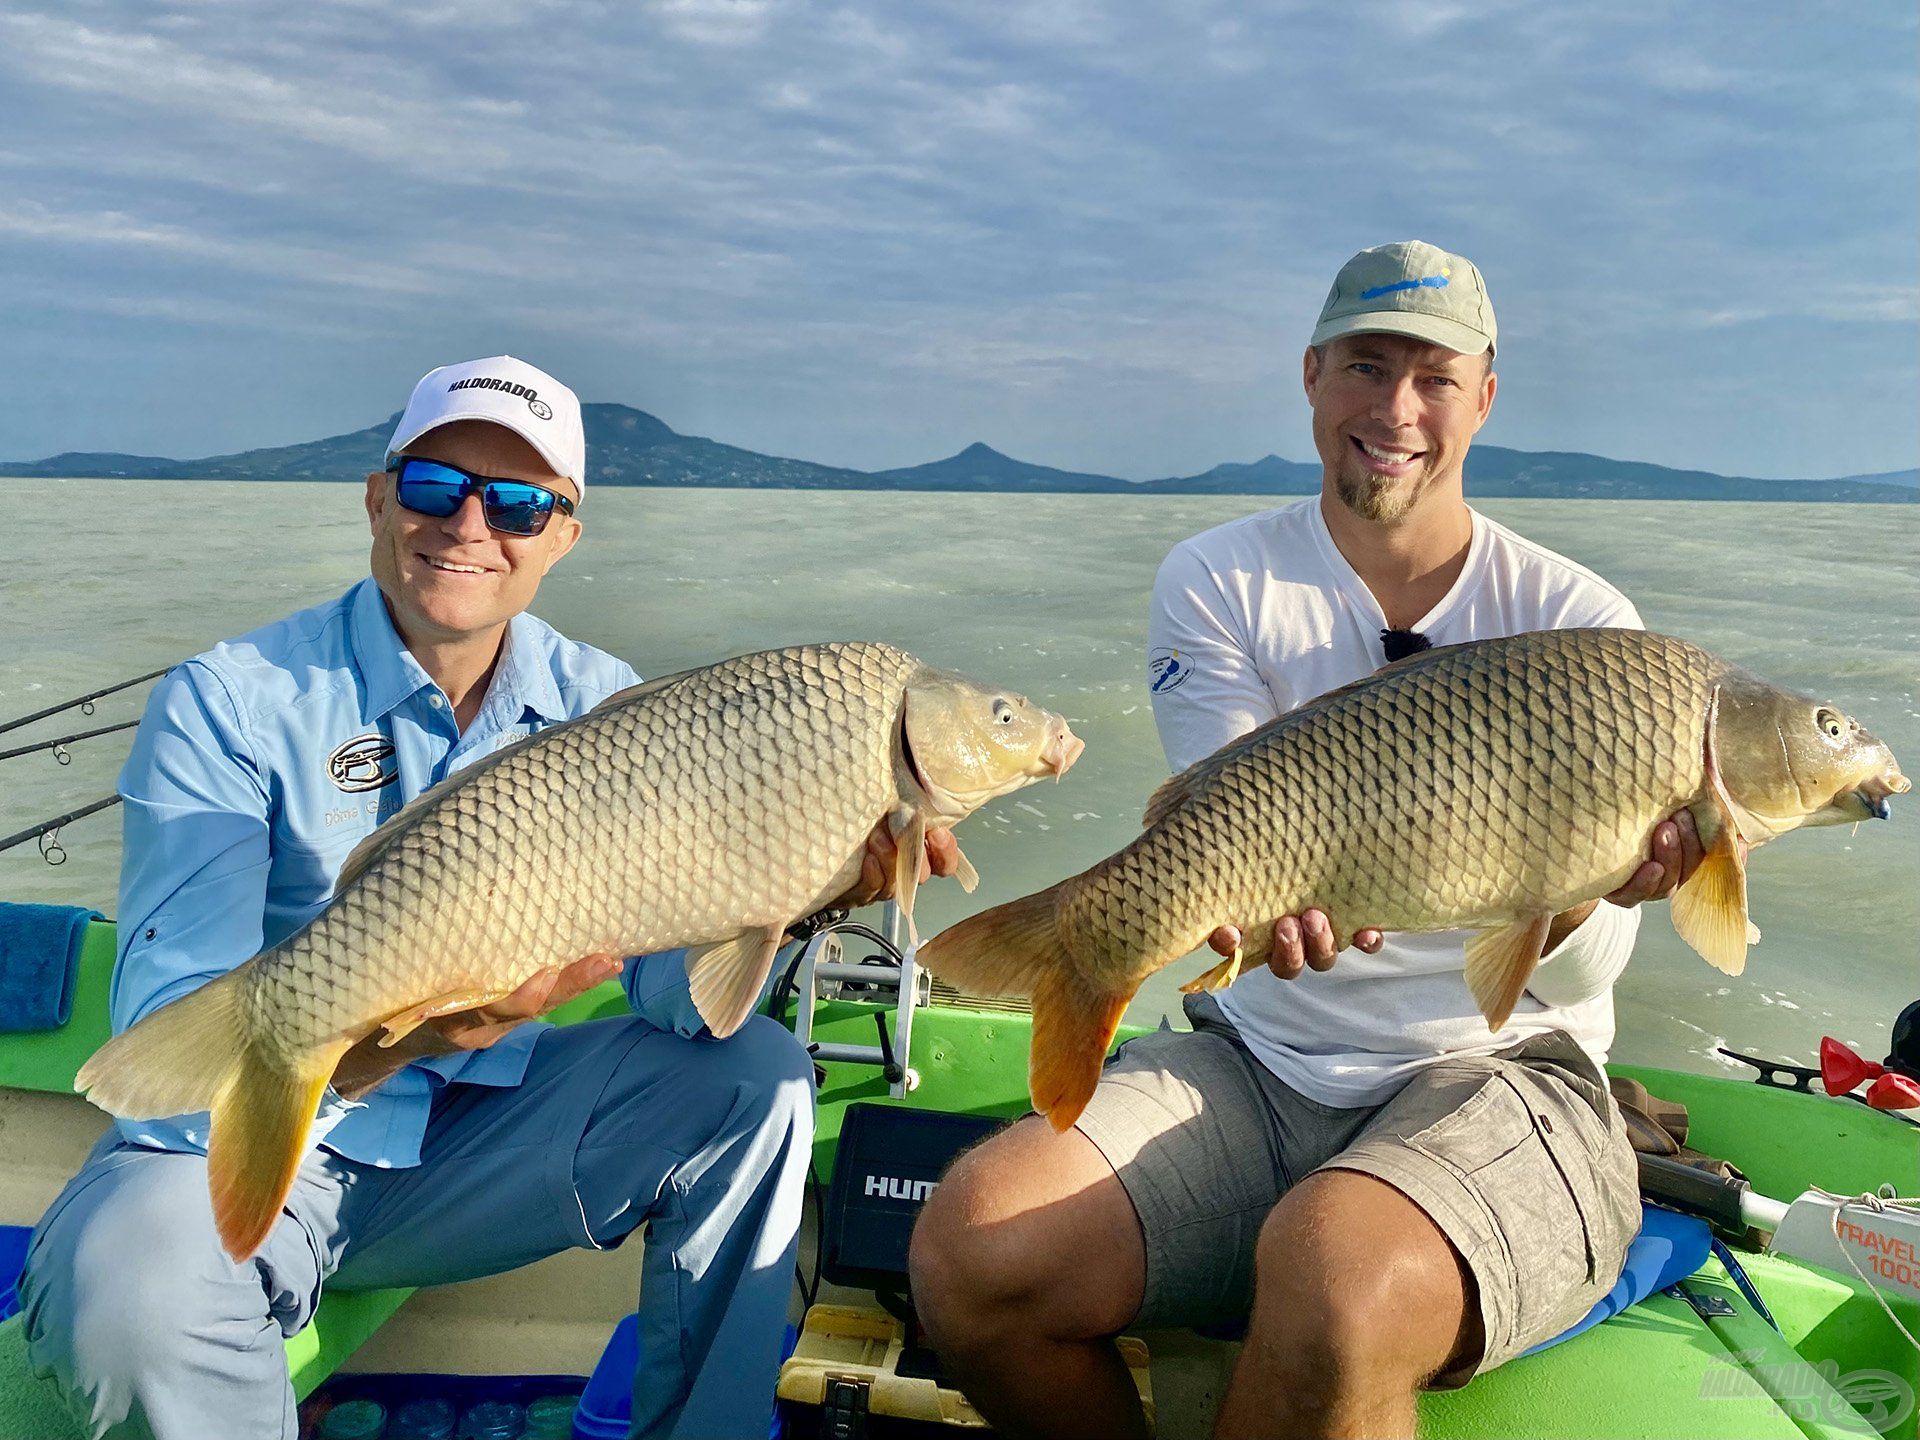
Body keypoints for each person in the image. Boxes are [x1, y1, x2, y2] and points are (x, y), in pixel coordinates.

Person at [20, 355, 937, 1440]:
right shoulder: (229, 701)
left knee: (758, 1078)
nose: (468, 524)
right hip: (261, 1151)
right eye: (433, 485)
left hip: (481, 1144)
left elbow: (678, 1001)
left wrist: (810, 890)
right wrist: (410, 1038)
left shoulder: (613, 705)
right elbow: (176, 1077)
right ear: (377, 495)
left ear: (562, 537)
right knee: (128, 1296)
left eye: (515, 503)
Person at [910, 242, 1706, 1440]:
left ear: (1484, 396)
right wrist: (1228, 918)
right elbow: (1230, 828)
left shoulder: (1582, 625)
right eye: (1366, 368)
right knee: (971, 1249)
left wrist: (1598, 894)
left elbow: (1579, 979)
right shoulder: (1219, 577)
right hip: (1264, 1059)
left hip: (1505, 1074)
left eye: (1435, 378)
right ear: (1311, 374)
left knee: (1335, 1279)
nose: (1396, 410)